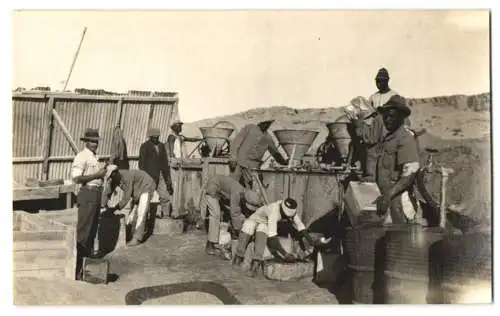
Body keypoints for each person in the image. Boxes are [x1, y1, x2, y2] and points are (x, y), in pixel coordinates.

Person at [232, 198, 318, 278]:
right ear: (282, 209)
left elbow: (301, 227)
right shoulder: (274, 210)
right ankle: (238, 258)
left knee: (262, 232)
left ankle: (255, 265)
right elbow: (272, 237)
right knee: (248, 227)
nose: (287, 218)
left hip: (264, 223)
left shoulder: (292, 211)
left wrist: (312, 242)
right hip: (254, 220)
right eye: (286, 215)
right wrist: (285, 254)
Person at [374, 95, 422, 224]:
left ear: (401, 117)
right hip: (387, 200)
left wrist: (388, 196)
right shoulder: (389, 138)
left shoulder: (405, 138)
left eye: (392, 116)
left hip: (399, 201)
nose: (387, 119)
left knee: (399, 239)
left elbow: (409, 174)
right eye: (385, 116)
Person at [71, 128, 107, 280]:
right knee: (84, 231)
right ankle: (77, 269)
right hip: (87, 193)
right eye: (92, 141)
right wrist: (97, 175)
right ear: (86, 142)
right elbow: (76, 178)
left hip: (96, 193)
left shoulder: (94, 156)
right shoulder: (81, 156)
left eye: (97, 141)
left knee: (92, 230)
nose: (95, 144)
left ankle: (87, 269)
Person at [202, 175, 264, 258]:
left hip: (219, 188)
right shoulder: (237, 193)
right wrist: (239, 232)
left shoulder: (244, 191)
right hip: (212, 186)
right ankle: (210, 245)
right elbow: (234, 213)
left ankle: (217, 240)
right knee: (215, 215)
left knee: (228, 212)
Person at [103, 165, 156, 246]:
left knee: (141, 212)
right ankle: (130, 234)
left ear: (116, 172)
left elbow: (126, 197)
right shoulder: (114, 178)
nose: (111, 178)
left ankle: (137, 238)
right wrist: (104, 205)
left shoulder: (127, 176)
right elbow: (108, 192)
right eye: (109, 177)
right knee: (132, 215)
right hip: (137, 191)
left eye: (112, 176)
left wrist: (114, 209)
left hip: (146, 185)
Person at [230, 120, 288, 188]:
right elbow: (236, 143)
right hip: (239, 164)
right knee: (235, 186)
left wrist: (285, 163)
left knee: (249, 190)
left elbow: (275, 153)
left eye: (268, 124)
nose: (266, 125)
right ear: (260, 122)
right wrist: (233, 157)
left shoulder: (268, 137)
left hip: (253, 168)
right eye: (265, 123)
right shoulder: (249, 128)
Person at [138, 128, 173, 218]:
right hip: (149, 176)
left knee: (165, 196)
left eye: (157, 137)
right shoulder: (144, 146)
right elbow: (141, 164)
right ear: (150, 137)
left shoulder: (161, 146)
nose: (156, 139)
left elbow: (165, 162)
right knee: (147, 197)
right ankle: (146, 217)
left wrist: (168, 179)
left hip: (161, 175)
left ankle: (166, 216)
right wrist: (144, 177)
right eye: (154, 138)